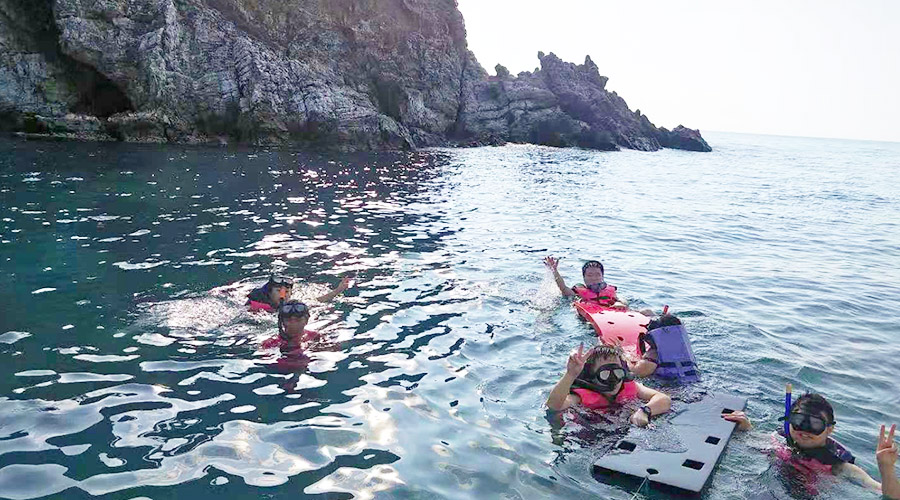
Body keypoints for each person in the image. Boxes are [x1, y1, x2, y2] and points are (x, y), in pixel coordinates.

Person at [723, 393, 900, 499]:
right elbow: (753, 442)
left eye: (815, 425)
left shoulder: (837, 465)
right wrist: (747, 427)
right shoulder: (781, 440)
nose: (804, 430)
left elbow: (887, 494)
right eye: (799, 421)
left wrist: (886, 468)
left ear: (829, 429)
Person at [546, 343, 671, 427]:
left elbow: (663, 398)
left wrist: (644, 411)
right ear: (592, 376)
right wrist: (570, 374)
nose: (613, 379)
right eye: (605, 373)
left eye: (617, 372)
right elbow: (554, 406)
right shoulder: (579, 396)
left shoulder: (630, 386)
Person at [543, 257, 624, 308]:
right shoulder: (579, 293)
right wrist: (554, 271)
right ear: (584, 277)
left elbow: (622, 300)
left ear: (602, 276)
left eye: (597, 275)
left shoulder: (609, 290)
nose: (594, 278)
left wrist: (620, 303)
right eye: (589, 275)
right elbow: (563, 288)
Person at [246, 274, 352, 312]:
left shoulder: (292, 305)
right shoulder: (255, 306)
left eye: (287, 291)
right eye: (278, 291)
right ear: (269, 293)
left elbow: (317, 301)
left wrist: (338, 290)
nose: (283, 295)